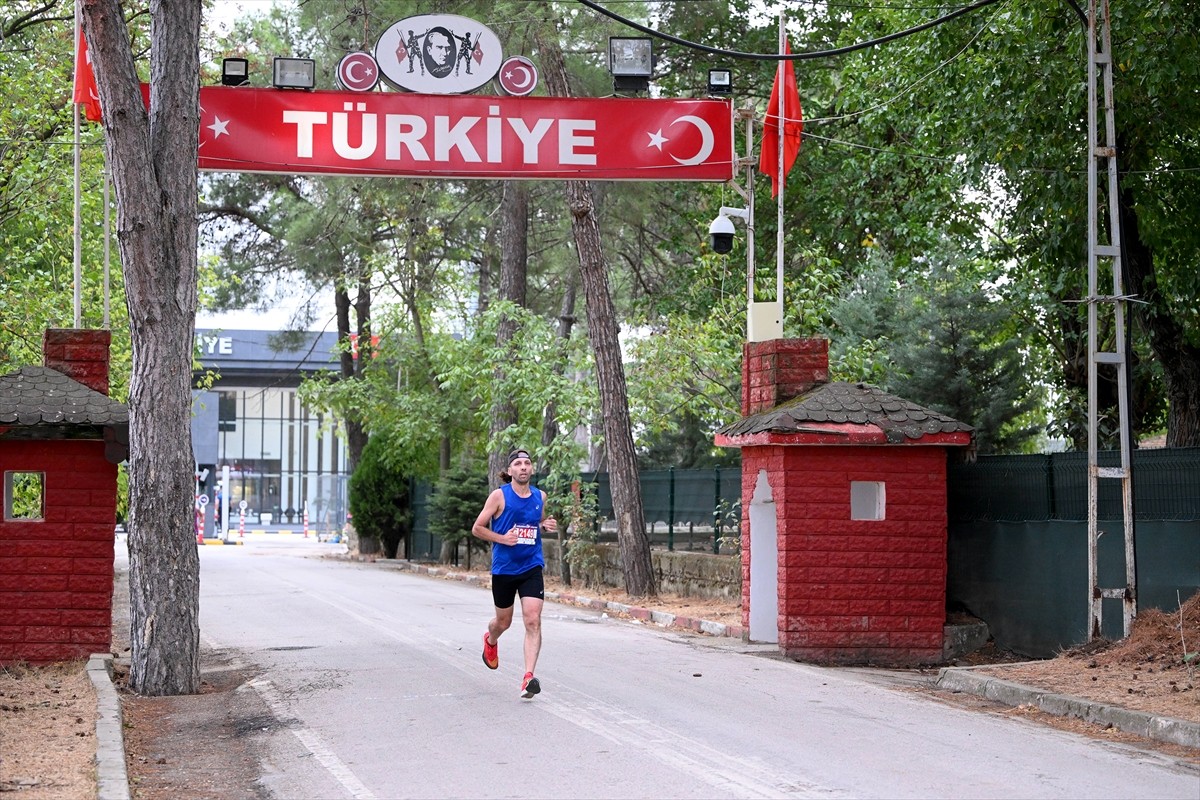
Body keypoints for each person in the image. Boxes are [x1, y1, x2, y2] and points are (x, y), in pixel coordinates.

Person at [471, 448, 557, 698]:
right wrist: (502, 538)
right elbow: (477, 528)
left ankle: (528, 677)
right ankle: (491, 640)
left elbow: (536, 521)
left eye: (527, 463)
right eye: (518, 464)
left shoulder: (540, 496)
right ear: (510, 471)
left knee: (533, 619)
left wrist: (545, 524)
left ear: (531, 469)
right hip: (504, 569)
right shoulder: (499, 496)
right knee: (503, 622)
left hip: (531, 566)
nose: (523, 467)